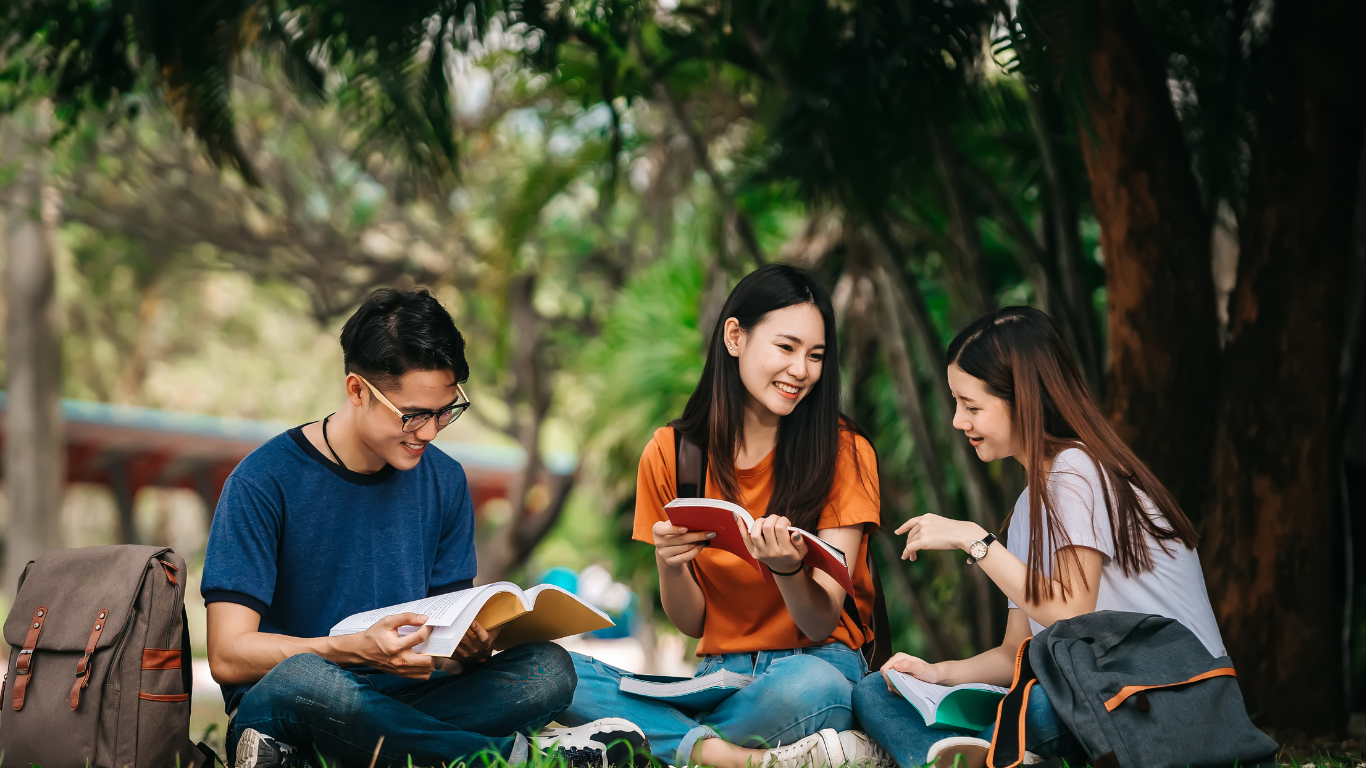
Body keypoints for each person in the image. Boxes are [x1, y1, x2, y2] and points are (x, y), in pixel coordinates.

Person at [203, 288, 641, 768]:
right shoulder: (263, 480)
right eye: (412, 416)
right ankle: (522, 760)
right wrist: (348, 651)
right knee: (306, 677)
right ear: (357, 390)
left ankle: (362, 755)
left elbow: (446, 646)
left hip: (408, 705)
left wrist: (470, 649)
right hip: (297, 705)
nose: (429, 432)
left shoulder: (445, 480)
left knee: (548, 670)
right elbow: (227, 654)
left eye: (445, 411)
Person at [852, 306, 1227, 768]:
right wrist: (937, 673)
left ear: (1023, 400)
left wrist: (975, 540)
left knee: (1041, 705)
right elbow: (1015, 652)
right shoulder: (1032, 503)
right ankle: (979, 754)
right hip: (1095, 694)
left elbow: (1071, 612)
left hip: (1173, 697)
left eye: (971, 406)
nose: (957, 421)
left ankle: (978, 753)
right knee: (877, 692)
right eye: (957, 404)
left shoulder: (1077, 470)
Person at [555, 264, 888, 768]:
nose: (801, 370)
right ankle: (725, 756)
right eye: (786, 347)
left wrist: (787, 571)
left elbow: (821, 620)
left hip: (815, 668)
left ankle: (667, 741)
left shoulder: (844, 451)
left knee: (814, 687)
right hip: (718, 678)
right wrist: (670, 563)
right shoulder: (672, 454)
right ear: (735, 337)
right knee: (556, 672)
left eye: (816, 355)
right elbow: (691, 623)